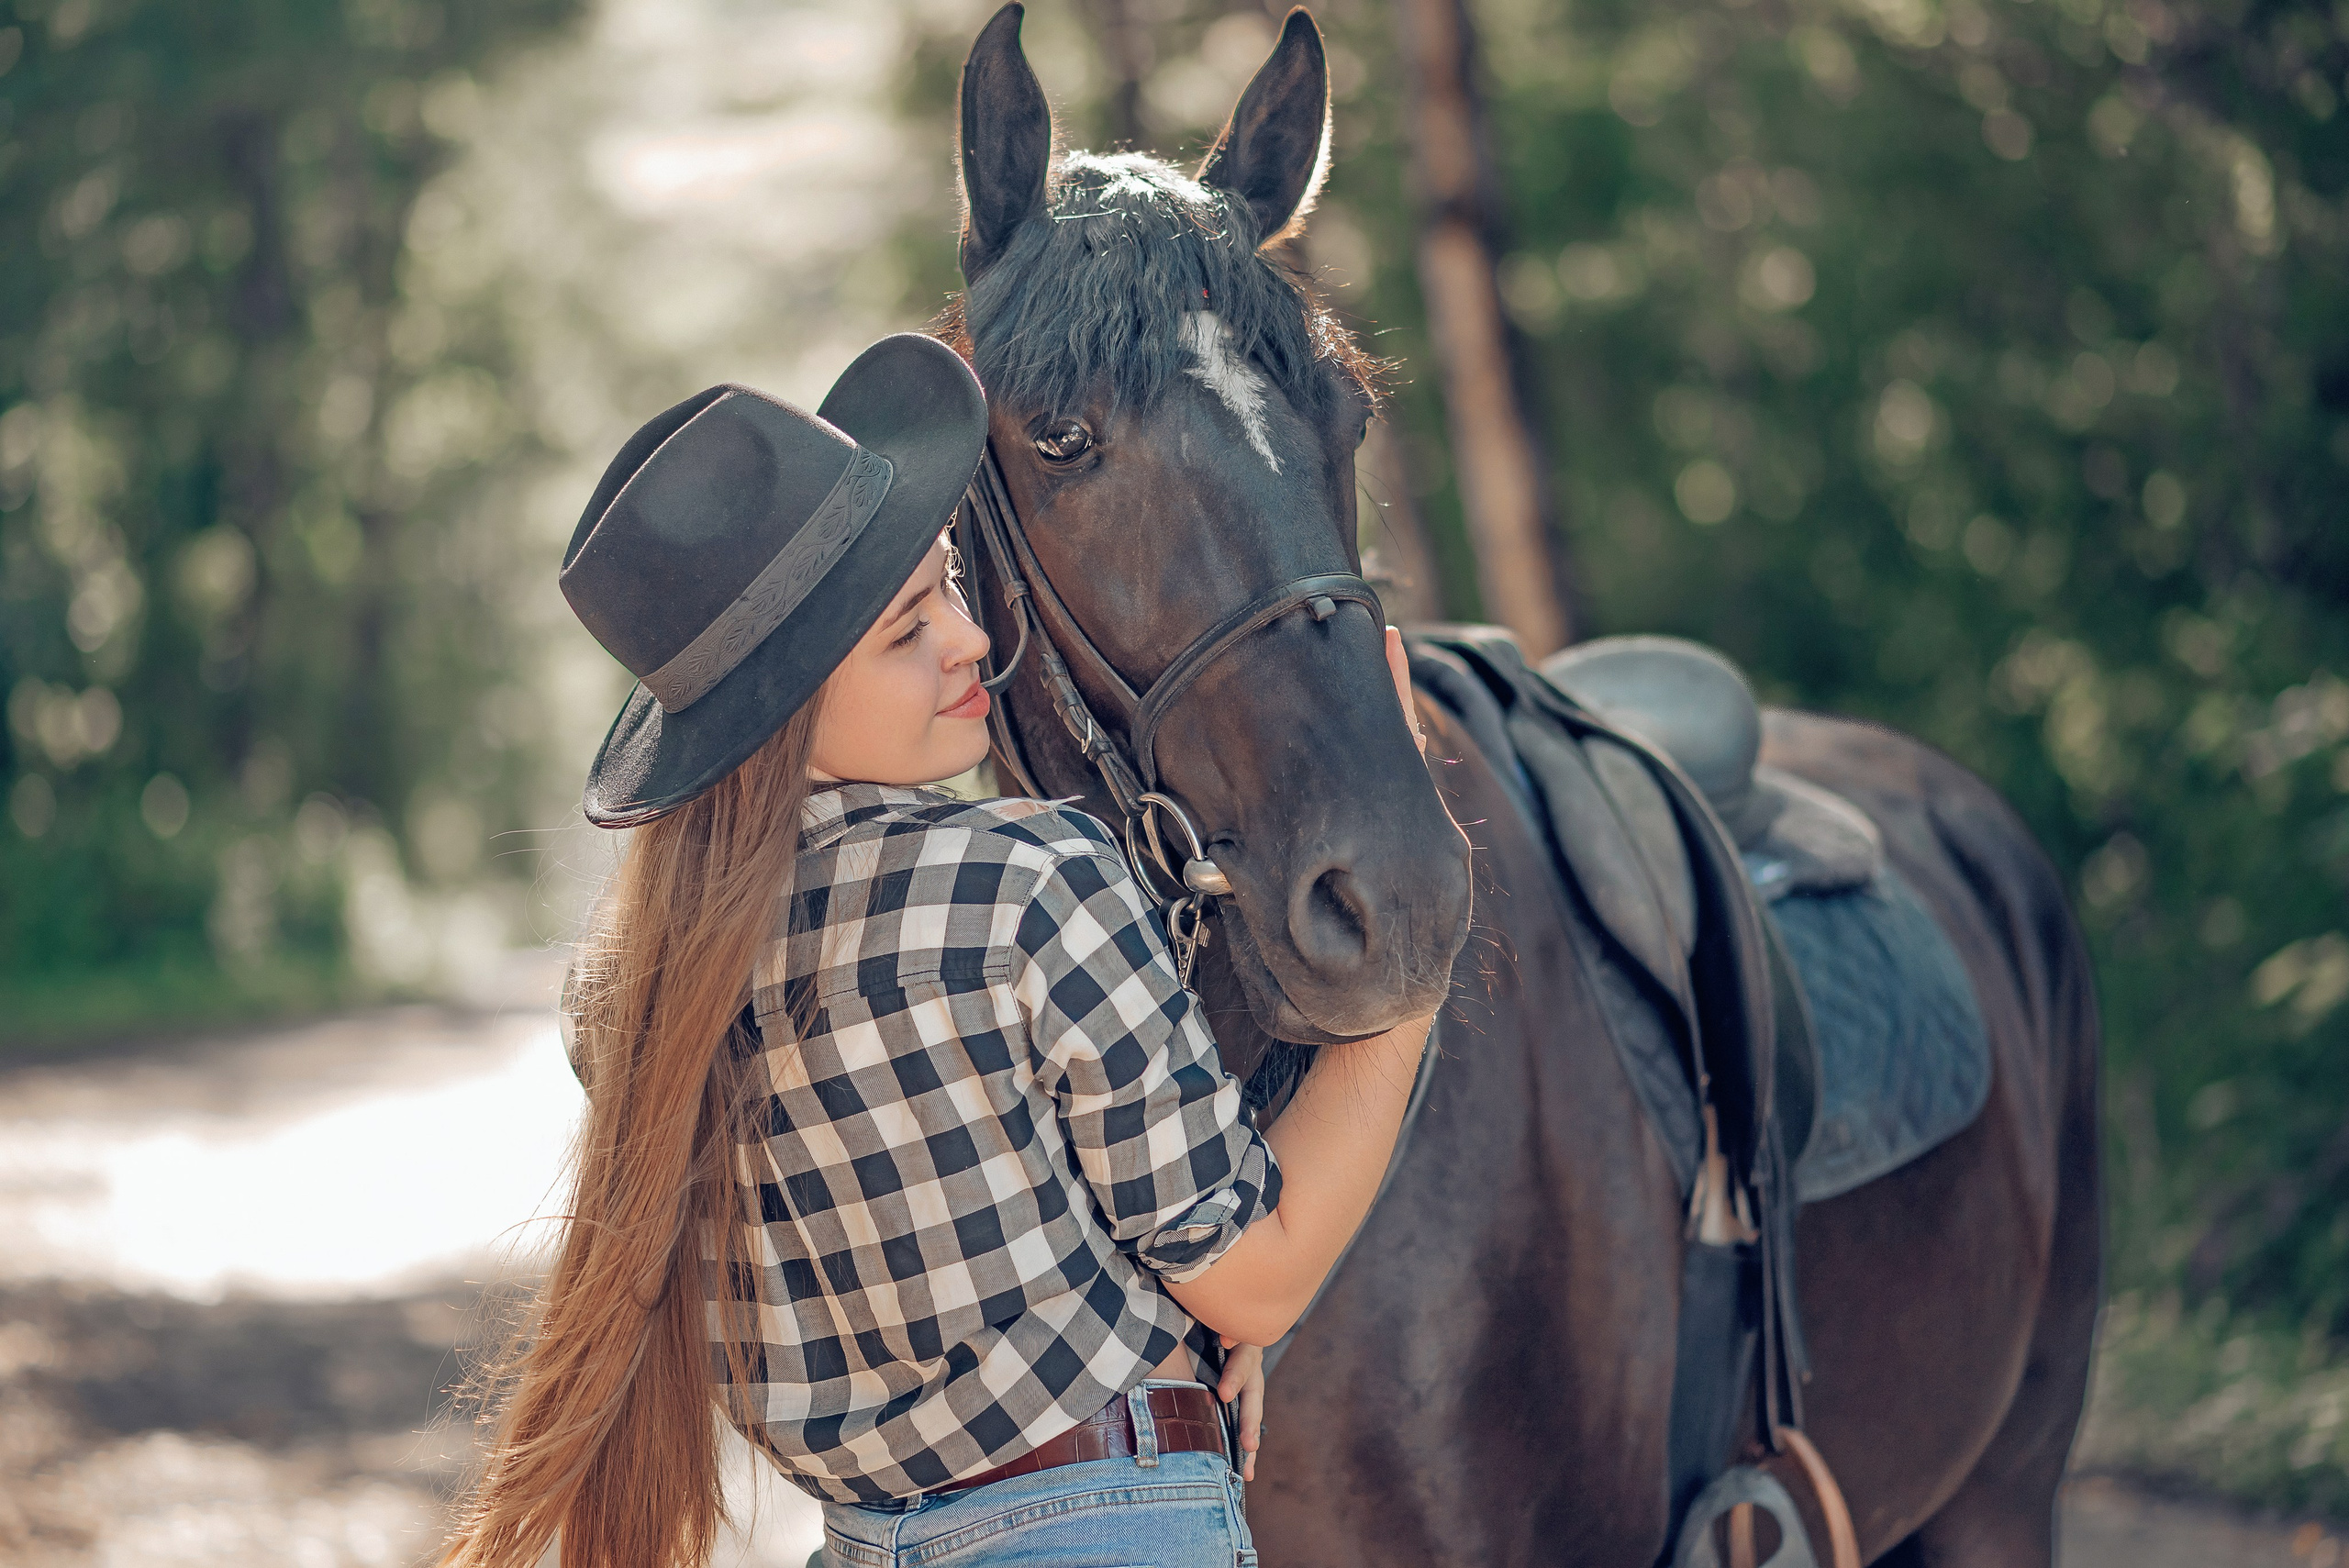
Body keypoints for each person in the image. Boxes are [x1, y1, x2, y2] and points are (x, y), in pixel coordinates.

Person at [439, 335, 1442, 1568]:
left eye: (953, 585)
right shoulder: (1033, 883)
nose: (970, 639)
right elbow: (1257, 1282)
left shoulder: (627, 992)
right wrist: (1407, 976)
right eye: (909, 627)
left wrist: (1162, 1347)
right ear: (790, 700)